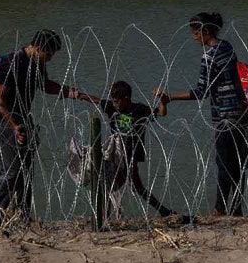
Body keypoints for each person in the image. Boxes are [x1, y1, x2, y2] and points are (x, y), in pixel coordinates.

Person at [155, 12, 248, 216]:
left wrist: (169, 98)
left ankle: (220, 209)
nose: (194, 38)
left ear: (205, 31)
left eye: (195, 33)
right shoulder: (227, 47)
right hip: (240, 113)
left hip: (225, 116)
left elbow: (202, 91)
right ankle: (236, 209)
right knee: (237, 165)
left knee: (224, 165)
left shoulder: (208, 56)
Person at [0, 29, 81, 221]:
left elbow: (44, 84)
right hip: (4, 121)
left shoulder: (36, 63)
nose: (50, 58)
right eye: (50, 53)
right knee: (12, 171)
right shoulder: (11, 63)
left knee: (26, 170)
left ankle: (23, 214)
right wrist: (14, 127)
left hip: (23, 119)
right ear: (39, 48)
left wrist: (69, 92)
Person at [77, 81, 190, 221]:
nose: (115, 104)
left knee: (127, 186)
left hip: (131, 155)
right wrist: (78, 95)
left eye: (117, 101)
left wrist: (163, 101)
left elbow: (161, 112)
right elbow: (97, 100)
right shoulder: (112, 107)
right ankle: (105, 217)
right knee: (113, 185)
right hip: (115, 155)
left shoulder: (139, 110)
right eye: (113, 100)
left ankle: (104, 218)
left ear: (126, 98)